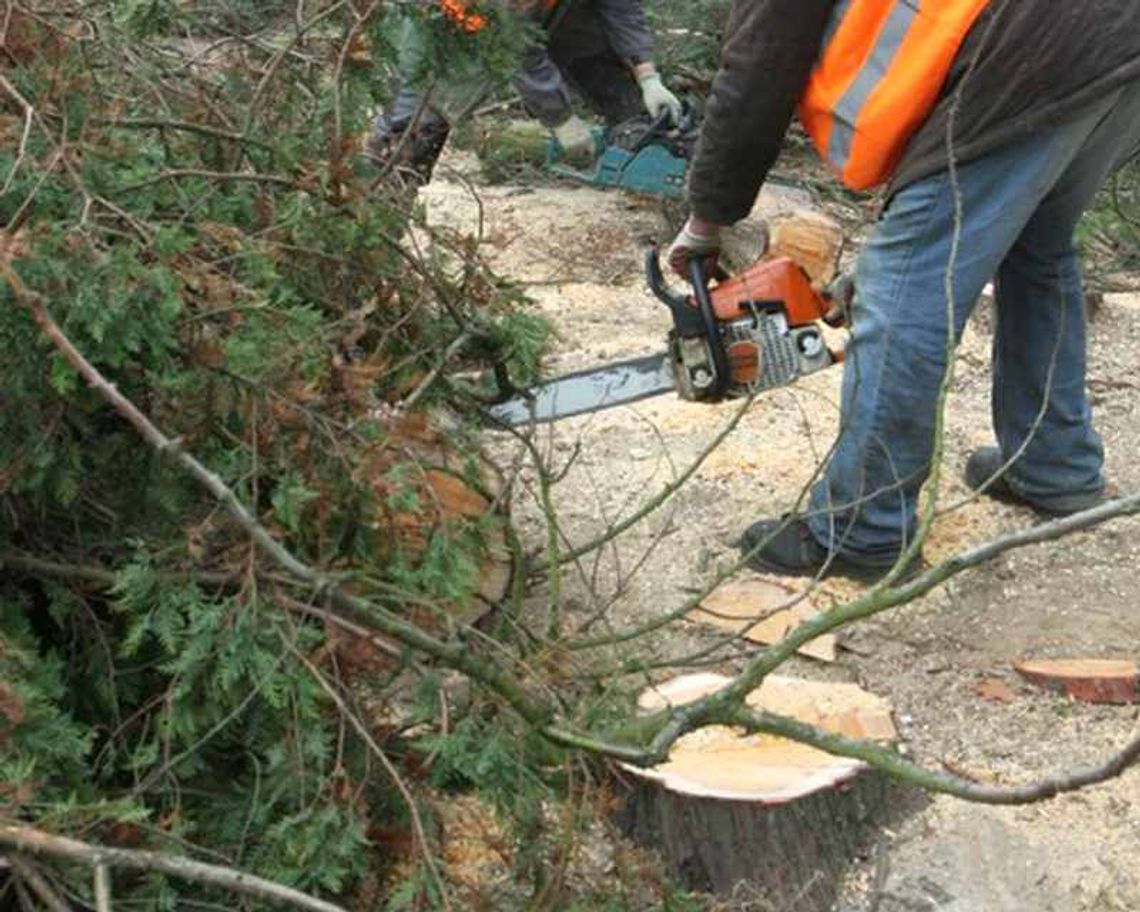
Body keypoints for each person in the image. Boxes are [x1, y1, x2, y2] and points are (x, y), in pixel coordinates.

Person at [666, 1, 1140, 581]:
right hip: (1116, 35)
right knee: (1036, 245)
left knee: (902, 287)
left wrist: (707, 219)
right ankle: (1053, 462)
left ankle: (863, 529)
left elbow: (759, 63)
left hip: (1037, 48)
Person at [365, 0, 682, 182]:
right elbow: (517, 43)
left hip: (528, 19)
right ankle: (366, 239)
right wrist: (561, 120)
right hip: (438, 38)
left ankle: (640, 128)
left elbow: (620, 6)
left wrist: (647, 75)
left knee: (584, 24)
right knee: (407, 143)